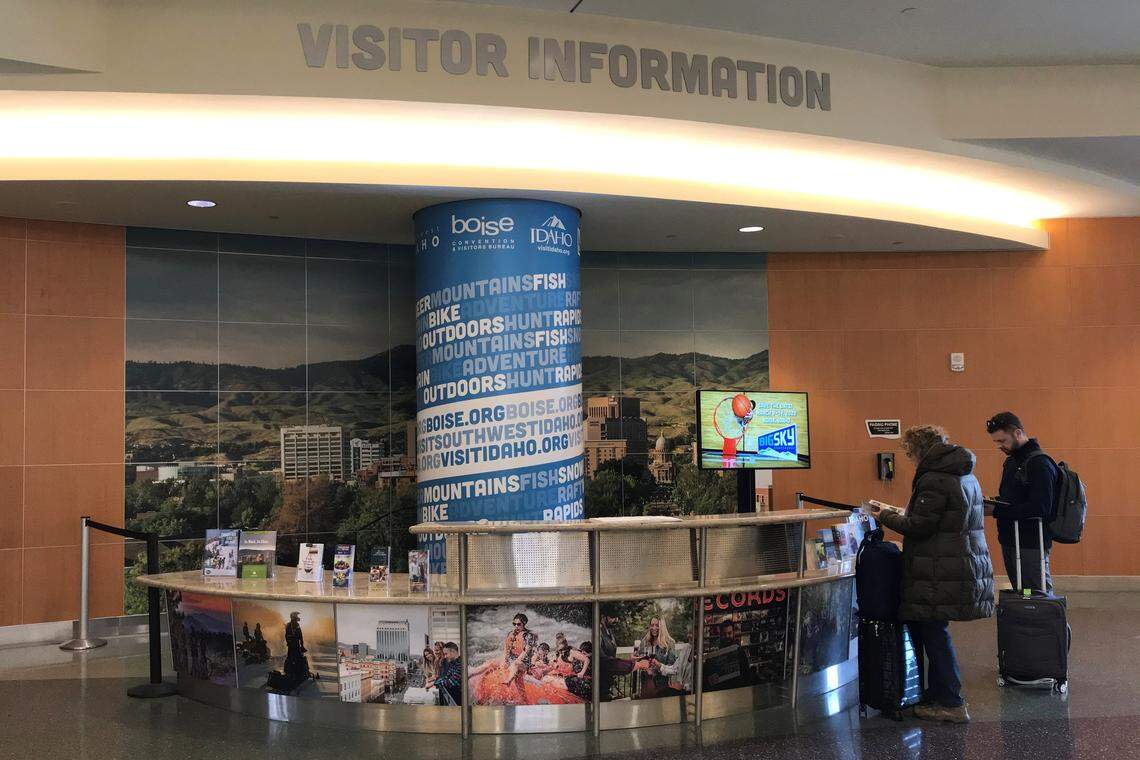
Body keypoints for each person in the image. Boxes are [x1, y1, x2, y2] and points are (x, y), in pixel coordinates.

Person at [866, 424, 994, 724]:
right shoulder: (964, 473)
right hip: (957, 563)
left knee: (935, 633)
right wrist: (898, 511)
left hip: (939, 568)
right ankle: (940, 695)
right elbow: (940, 518)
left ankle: (950, 701)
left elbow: (920, 526)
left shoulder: (934, 478)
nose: (909, 459)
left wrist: (884, 515)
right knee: (936, 630)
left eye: (909, 453)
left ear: (918, 450)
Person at [985, 412, 1058, 594]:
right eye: (996, 442)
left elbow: (1041, 507)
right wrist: (993, 503)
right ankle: (1030, 620)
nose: (999, 446)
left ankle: (1054, 623)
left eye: (1002, 441)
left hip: (1031, 542)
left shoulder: (1039, 464)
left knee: (1037, 593)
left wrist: (996, 511)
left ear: (1018, 433)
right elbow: (1011, 499)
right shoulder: (1012, 462)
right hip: (1011, 539)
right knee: (1024, 593)